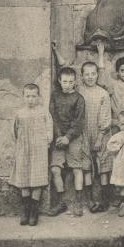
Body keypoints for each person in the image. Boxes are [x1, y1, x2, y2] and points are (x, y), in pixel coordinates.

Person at [9, 83, 53, 226]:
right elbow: (14, 131)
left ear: (38, 97)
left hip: (39, 149)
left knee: (37, 177)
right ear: (23, 97)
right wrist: (20, 144)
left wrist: (47, 141)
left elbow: (49, 129)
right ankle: (25, 210)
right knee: (24, 176)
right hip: (23, 149)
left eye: (33, 96)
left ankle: (34, 211)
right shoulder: (19, 113)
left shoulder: (43, 112)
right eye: (27, 96)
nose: (30, 99)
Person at [48, 66, 86, 217]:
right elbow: (53, 117)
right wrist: (59, 136)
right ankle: (62, 202)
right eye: (64, 81)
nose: (67, 84)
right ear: (59, 81)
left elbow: (79, 122)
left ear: (75, 82)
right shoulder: (55, 96)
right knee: (55, 169)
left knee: (77, 168)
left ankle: (78, 202)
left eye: (70, 82)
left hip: (74, 137)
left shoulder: (79, 98)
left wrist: (68, 137)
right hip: (58, 138)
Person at [78, 60, 114, 212]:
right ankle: (91, 201)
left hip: (101, 134)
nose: (90, 77)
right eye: (87, 74)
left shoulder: (103, 93)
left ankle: (104, 200)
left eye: (93, 74)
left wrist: (100, 137)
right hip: (84, 133)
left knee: (103, 166)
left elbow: (106, 117)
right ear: (82, 76)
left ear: (97, 75)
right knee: (86, 167)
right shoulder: (78, 91)